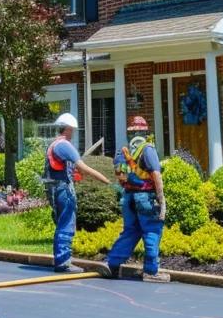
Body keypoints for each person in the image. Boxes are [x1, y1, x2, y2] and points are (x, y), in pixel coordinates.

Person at [101, 115, 169, 282]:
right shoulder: (148, 149)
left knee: (131, 231)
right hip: (145, 197)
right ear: (145, 132)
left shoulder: (122, 151)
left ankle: (112, 264)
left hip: (128, 198)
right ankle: (151, 272)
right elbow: (156, 174)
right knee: (152, 231)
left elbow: (120, 176)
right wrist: (162, 201)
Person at [43, 112, 111, 273]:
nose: (73, 132)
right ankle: (63, 262)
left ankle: (61, 259)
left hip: (54, 188)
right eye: (72, 129)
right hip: (63, 190)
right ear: (66, 129)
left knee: (62, 224)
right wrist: (106, 180)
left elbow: (71, 170)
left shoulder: (53, 145)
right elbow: (83, 167)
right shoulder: (64, 145)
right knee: (66, 224)